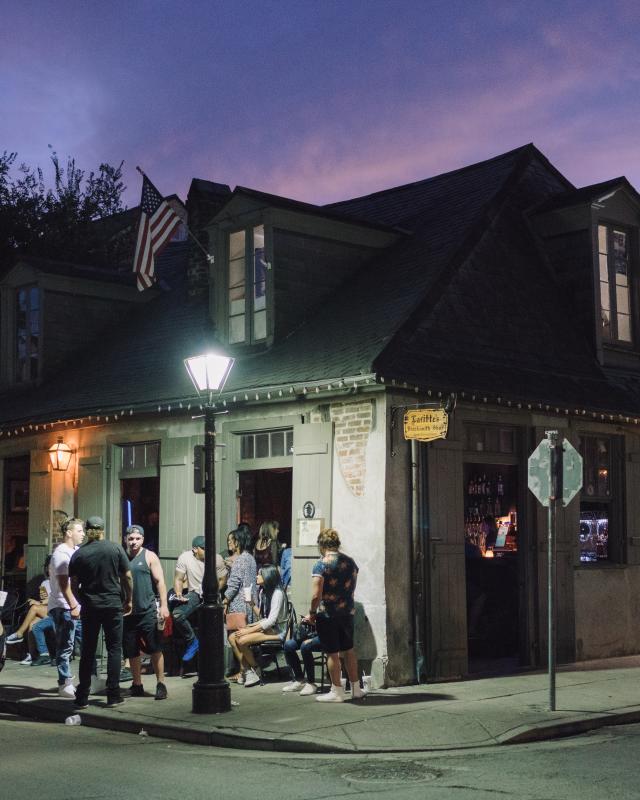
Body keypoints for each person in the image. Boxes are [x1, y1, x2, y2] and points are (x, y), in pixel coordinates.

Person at [68, 516, 133, 708]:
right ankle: (113, 695)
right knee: (114, 649)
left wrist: (80, 599)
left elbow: (72, 583)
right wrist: (129, 599)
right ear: (103, 530)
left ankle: (82, 696)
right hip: (113, 604)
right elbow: (127, 577)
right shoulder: (114, 548)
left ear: (87, 531)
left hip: (90, 605)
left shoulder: (79, 554)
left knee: (88, 651)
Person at [303, 528, 366, 703]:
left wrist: (312, 613)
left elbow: (316, 595)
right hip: (347, 613)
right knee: (349, 650)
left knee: (332, 653)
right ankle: (356, 689)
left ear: (322, 545)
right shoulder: (351, 562)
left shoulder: (321, 564)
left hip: (327, 614)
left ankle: (337, 691)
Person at [123, 524, 169, 700]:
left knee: (155, 648)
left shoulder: (149, 556)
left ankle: (161, 684)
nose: (134, 542)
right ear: (126, 539)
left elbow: (160, 582)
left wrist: (163, 606)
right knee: (131, 650)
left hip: (147, 610)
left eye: (137, 539)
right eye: (131, 538)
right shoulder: (122, 557)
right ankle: (137, 684)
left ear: (142, 539)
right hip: (127, 612)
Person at [228, 565, 288, 687]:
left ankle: (255, 669)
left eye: (260, 574)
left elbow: (271, 621)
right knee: (232, 637)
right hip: (268, 628)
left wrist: (248, 630)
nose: (257, 576)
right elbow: (262, 617)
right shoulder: (264, 592)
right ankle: (248, 671)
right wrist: (251, 604)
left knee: (242, 639)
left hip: (278, 631)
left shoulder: (278, 593)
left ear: (267, 576)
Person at [172, 535, 227, 662]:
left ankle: (215, 661)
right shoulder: (185, 557)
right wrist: (179, 594)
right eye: (204, 548)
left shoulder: (216, 558)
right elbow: (178, 578)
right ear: (195, 549)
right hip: (195, 593)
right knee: (177, 614)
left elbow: (223, 579)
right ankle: (192, 641)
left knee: (214, 627)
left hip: (212, 593)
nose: (208, 551)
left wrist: (213, 591)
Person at [48, 518, 86, 698]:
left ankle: (89, 680)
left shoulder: (77, 551)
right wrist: (73, 605)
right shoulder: (61, 553)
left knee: (86, 643)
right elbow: (64, 583)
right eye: (79, 531)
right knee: (65, 646)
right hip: (64, 606)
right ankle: (64, 683)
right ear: (69, 533)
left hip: (76, 606)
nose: (83, 534)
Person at [223, 526, 257, 677]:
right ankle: (245, 671)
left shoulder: (239, 560)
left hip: (238, 604)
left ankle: (249, 669)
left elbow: (234, 583)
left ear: (238, 542)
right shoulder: (250, 558)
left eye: (232, 540)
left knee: (234, 638)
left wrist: (225, 600)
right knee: (240, 638)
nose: (230, 543)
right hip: (248, 602)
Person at [5, 556, 51, 652]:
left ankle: (19, 633)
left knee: (34, 608)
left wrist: (39, 602)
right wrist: (41, 602)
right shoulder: (44, 583)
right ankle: (32, 655)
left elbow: (58, 600)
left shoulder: (61, 582)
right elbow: (45, 599)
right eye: (49, 568)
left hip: (55, 610)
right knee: (32, 625)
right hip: (46, 610)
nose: (51, 570)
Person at [281, 621, 323, 696]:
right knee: (288, 645)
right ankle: (300, 680)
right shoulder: (316, 609)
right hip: (311, 633)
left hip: (324, 634)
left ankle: (311, 683)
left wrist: (314, 622)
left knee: (305, 646)